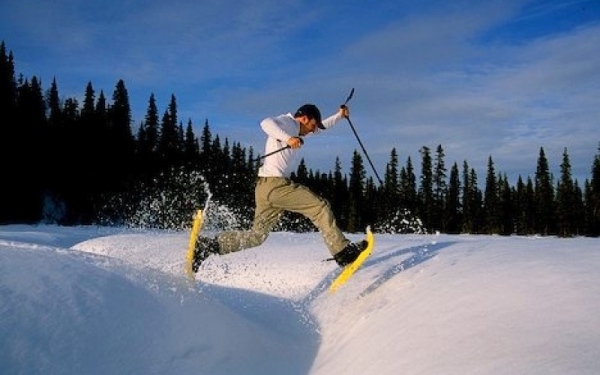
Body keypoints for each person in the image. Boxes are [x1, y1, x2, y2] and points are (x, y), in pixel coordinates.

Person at [192, 103, 369, 272]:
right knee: (320, 207)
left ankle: (209, 246)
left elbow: (322, 128)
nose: (314, 130)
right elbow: (265, 123)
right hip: (276, 186)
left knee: (257, 236)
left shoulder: (298, 129)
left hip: (264, 187)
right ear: (305, 119)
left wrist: (339, 116)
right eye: (314, 124)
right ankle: (342, 252)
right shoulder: (289, 123)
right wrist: (288, 138)